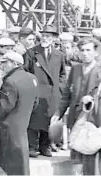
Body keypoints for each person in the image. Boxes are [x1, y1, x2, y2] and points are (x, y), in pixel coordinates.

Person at [0, 52, 39, 175]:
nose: (2, 65)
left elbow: (4, 106)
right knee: (21, 163)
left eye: (5, 62)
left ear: (15, 64)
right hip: (23, 124)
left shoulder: (10, 81)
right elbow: (35, 102)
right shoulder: (32, 78)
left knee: (9, 165)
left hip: (8, 126)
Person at [53, 37, 100, 171]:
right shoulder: (76, 69)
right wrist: (59, 113)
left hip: (92, 120)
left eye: (88, 50)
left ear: (95, 52)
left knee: (90, 158)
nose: (85, 53)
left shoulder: (100, 70)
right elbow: (67, 94)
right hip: (75, 118)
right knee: (76, 158)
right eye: (82, 50)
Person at [24, 25, 66, 158]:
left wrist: (59, 87)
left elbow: (62, 74)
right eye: (44, 35)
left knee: (49, 119)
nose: (45, 38)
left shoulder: (59, 55)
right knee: (34, 120)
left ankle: (45, 146)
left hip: (52, 93)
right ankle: (32, 146)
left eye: (49, 36)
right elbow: (26, 71)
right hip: (37, 91)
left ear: (54, 38)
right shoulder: (32, 53)